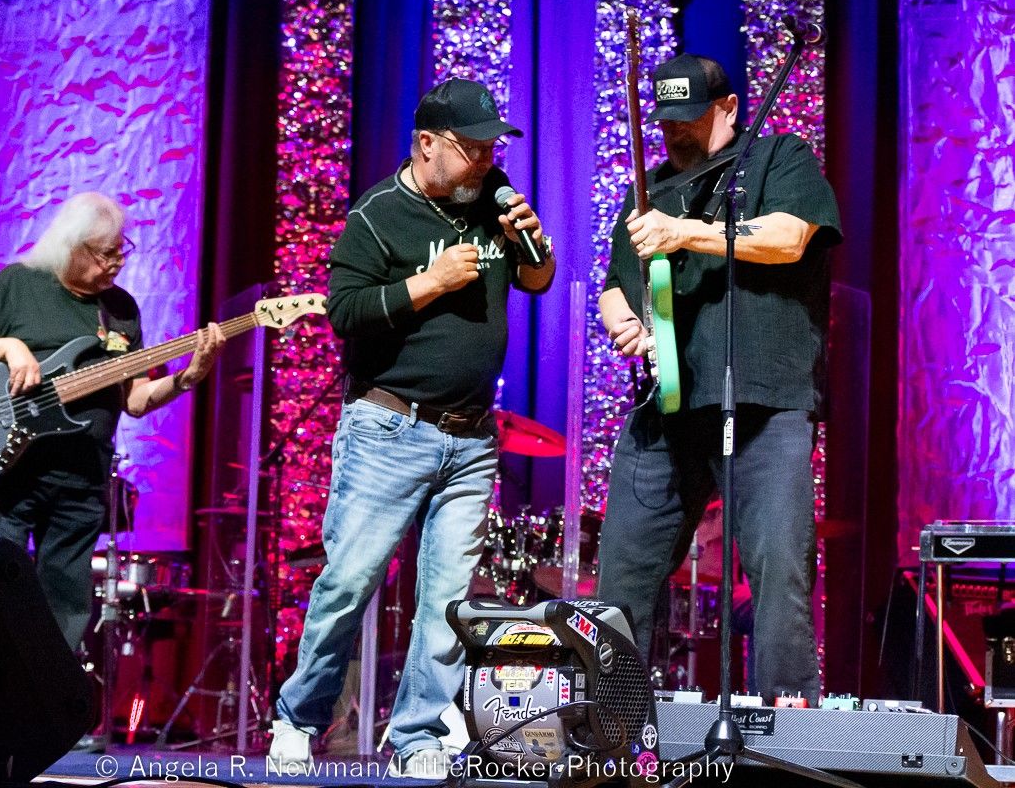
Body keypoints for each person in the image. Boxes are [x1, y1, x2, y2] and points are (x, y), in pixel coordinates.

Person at [269, 77, 555, 778]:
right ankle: (298, 718)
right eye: (473, 147)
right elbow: (343, 312)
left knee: (449, 600)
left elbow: (538, 281)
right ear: (427, 143)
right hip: (390, 428)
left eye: (492, 147)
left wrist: (533, 243)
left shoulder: (494, 197)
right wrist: (430, 283)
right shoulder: (377, 215)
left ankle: (417, 735)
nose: (487, 159)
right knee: (349, 582)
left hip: (473, 436)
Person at [596, 53, 841, 704]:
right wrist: (624, 322)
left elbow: (788, 237)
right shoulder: (648, 191)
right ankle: (609, 728)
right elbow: (615, 285)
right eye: (666, 120)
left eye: (691, 117)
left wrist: (683, 232)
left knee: (778, 575)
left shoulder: (779, 157)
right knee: (621, 577)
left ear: (729, 108)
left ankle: (786, 739)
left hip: (764, 402)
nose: (675, 131)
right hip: (667, 407)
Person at [0, 192, 225, 651]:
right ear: (72, 246)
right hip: (12, 471)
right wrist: (9, 347)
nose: (118, 263)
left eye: (121, 251)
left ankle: (51, 694)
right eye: (106, 254)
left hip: (81, 480)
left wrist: (186, 379)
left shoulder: (122, 310)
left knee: (66, 609)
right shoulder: (19, 283)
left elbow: (135, 400)